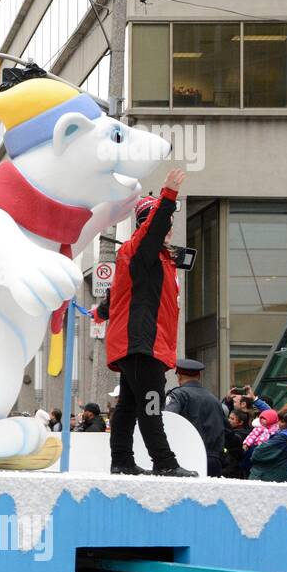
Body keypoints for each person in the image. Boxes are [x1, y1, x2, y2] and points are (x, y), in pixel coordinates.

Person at [95, 169, 194, 476]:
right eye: (165, 225)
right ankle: (164, 463)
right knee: (151, 404)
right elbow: (152, 229)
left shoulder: (147, 259)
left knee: (127, 406)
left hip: (139, 343)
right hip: (143, 344)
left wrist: (100, 312)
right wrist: (168, 195)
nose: (168, 231)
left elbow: (115, 300)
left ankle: (122, 461)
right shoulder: (141, 250)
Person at [165, 358, 227, 476]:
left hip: (188, 458)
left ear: (179, 376)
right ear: (198, 376)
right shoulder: (214, 399)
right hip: (213, 460)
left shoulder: (178, 395)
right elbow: (226, 430)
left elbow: (169, 421)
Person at [249, 411, 287, 482]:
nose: (278, 423)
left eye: (282, 421)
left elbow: (257, 454)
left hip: (267, 478)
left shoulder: (280, 440)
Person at [222, 409, 251, 478]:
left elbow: (234, 441)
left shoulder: (242, 434)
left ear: (240, 422)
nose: (229, 420)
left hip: (234, 469)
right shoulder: (233, 431)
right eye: (229, 418)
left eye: (232, 419)